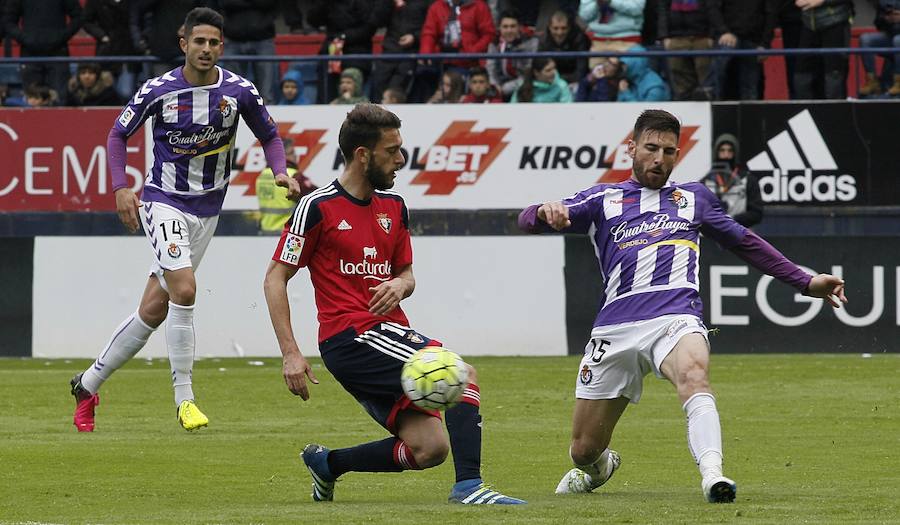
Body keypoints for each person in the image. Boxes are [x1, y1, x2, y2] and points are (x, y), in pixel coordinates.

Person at [518, 109, 847, 503]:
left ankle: (714, 477)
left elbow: (744, 241)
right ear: (632, 148)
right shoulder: (602, 199)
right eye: (651, 148)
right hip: (615, 328)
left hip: (676, 316)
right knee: (582, 449)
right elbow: (526, 220)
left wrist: (805, 281)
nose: (659, 158)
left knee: (694, 374)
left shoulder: (694, 198)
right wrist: (542, 211)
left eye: (669, 151)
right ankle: (600, 466)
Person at [263, 103, 525, 505]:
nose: (401, 159)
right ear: (363, 155)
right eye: (392, 150)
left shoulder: (395, 207)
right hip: (350, 337)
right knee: (460, 374)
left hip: (386, 332)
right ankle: (470, 487)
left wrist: (400, 287)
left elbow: (407, 274)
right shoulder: (316, 207)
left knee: (429, 449)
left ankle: (327, 464)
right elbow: (275, 278)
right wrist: (290, 353)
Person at [69, 7, 298, 433]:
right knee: (186, 289)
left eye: (213, 43)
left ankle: (87, 384)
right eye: (199, 42)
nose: (206, 49)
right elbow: (118, 134)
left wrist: (279, 169)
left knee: (153, 310)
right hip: (163, 202)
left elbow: (269, 134)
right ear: (184, 44)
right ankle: (185, 399)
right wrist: (121, 187)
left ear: (221, 46)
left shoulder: (239, 91)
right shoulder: (158, 90)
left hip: (208, 212)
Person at [2, 0, 83, 105]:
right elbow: (8, 21)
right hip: (30, 55)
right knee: (32, 101)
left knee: (60, 100)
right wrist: (24, 38)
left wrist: (61, 36)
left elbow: (79, 17)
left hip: (57, 54)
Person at [793, 0, 852, 100]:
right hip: (808, 23)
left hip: (835, 22)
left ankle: (835, 113)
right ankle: (805, 112)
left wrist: (821, 1)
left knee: (834, 74)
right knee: (801, 76)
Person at [257, 137, 318, 232]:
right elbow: (319, 198)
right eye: (292, 153)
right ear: (281, 156)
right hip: (286, 233)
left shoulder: (262, 175)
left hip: (265, 231)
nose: (295, 156)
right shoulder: (293, 176)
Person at [702, 133, 762, 228]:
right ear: (716, 152)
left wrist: (733, 219)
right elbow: (699, 212)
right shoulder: (706, 182)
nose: (726, 155)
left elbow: (757, 213)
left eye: (730, 151)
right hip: (711, 236)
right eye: (722, 150)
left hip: (740, 233)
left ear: (735, 153)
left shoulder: (748, 180)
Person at [486, 8, 539, 100]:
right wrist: (495, 85)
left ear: (519, 27)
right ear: (499, 28)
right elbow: (490, 69)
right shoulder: (494, 43)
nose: (509, 30)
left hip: (523, 86)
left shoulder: (531, 42)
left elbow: (529, 73)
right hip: (499, 87)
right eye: (505, 27)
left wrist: (505, 88)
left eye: (513, 26)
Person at [858, 0, 900, 97]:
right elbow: (878, 24)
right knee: (866, 39)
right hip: (892, 37)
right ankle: (872, 81)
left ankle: (899, 83)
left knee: (898, 40)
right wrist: (886, 19)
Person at [538, 10, 591, 87]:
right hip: (551, 81)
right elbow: (541, 68)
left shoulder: (579, 38)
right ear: (549, 27)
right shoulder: (543, 40)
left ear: (569, 28)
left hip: (575, 81)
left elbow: (581, 70)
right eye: (555, 28)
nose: (559, 33)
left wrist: (562, 81)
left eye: (564, 28)